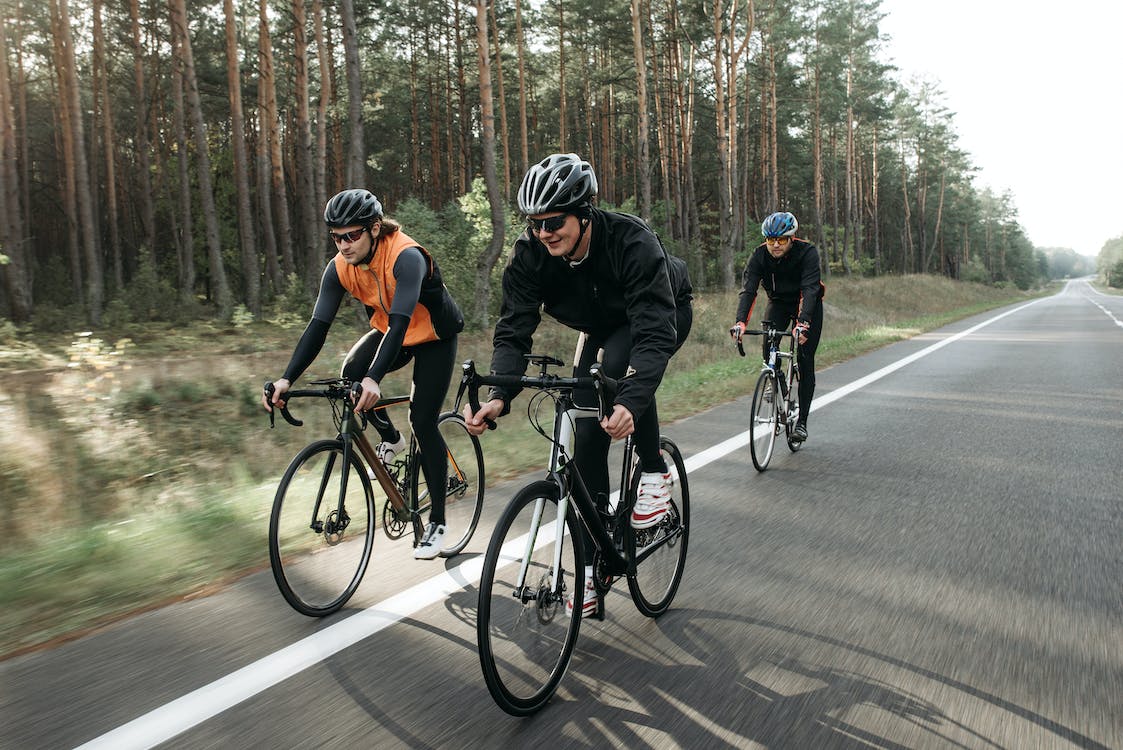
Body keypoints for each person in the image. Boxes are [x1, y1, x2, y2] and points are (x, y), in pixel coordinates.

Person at [463, 153, 692, 618]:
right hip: (599, 326)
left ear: (584, 213)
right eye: (535, 224)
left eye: (554, 222)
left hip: (658, 314)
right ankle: (593, 561)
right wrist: (499, 395)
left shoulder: (631, 240)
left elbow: (651, 333)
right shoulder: (531, 253)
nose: (544, 233)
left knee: (621, 383)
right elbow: (514, 328)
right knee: (585, 429)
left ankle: (653, 472)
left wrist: (630, 399)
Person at [262, 188, 465, 559]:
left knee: (422, 418)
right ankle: (392, 440)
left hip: (433, 335)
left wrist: (375, 377)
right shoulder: (340, 267)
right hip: (395, 331)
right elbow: (318, 326)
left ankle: (437, 522)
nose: (343, 244)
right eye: (336, 237)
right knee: (350, 377)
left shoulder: (406, 257)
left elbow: (402, 320)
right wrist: (286, 378)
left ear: (374, 229)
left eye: (352, 235)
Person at [729, 211, 824, 442]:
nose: (775, 245)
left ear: (792, 238)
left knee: (804, 358)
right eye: (771, 240)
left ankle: (801, 423)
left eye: (781, 240)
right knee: (768, 346)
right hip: (779, 303)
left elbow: (811, 290)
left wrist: (803, 323)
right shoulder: (759, 256)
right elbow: (749, 291)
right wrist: (740, 322)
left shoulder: (807, 253)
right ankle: (776, 379)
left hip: (806, 304)